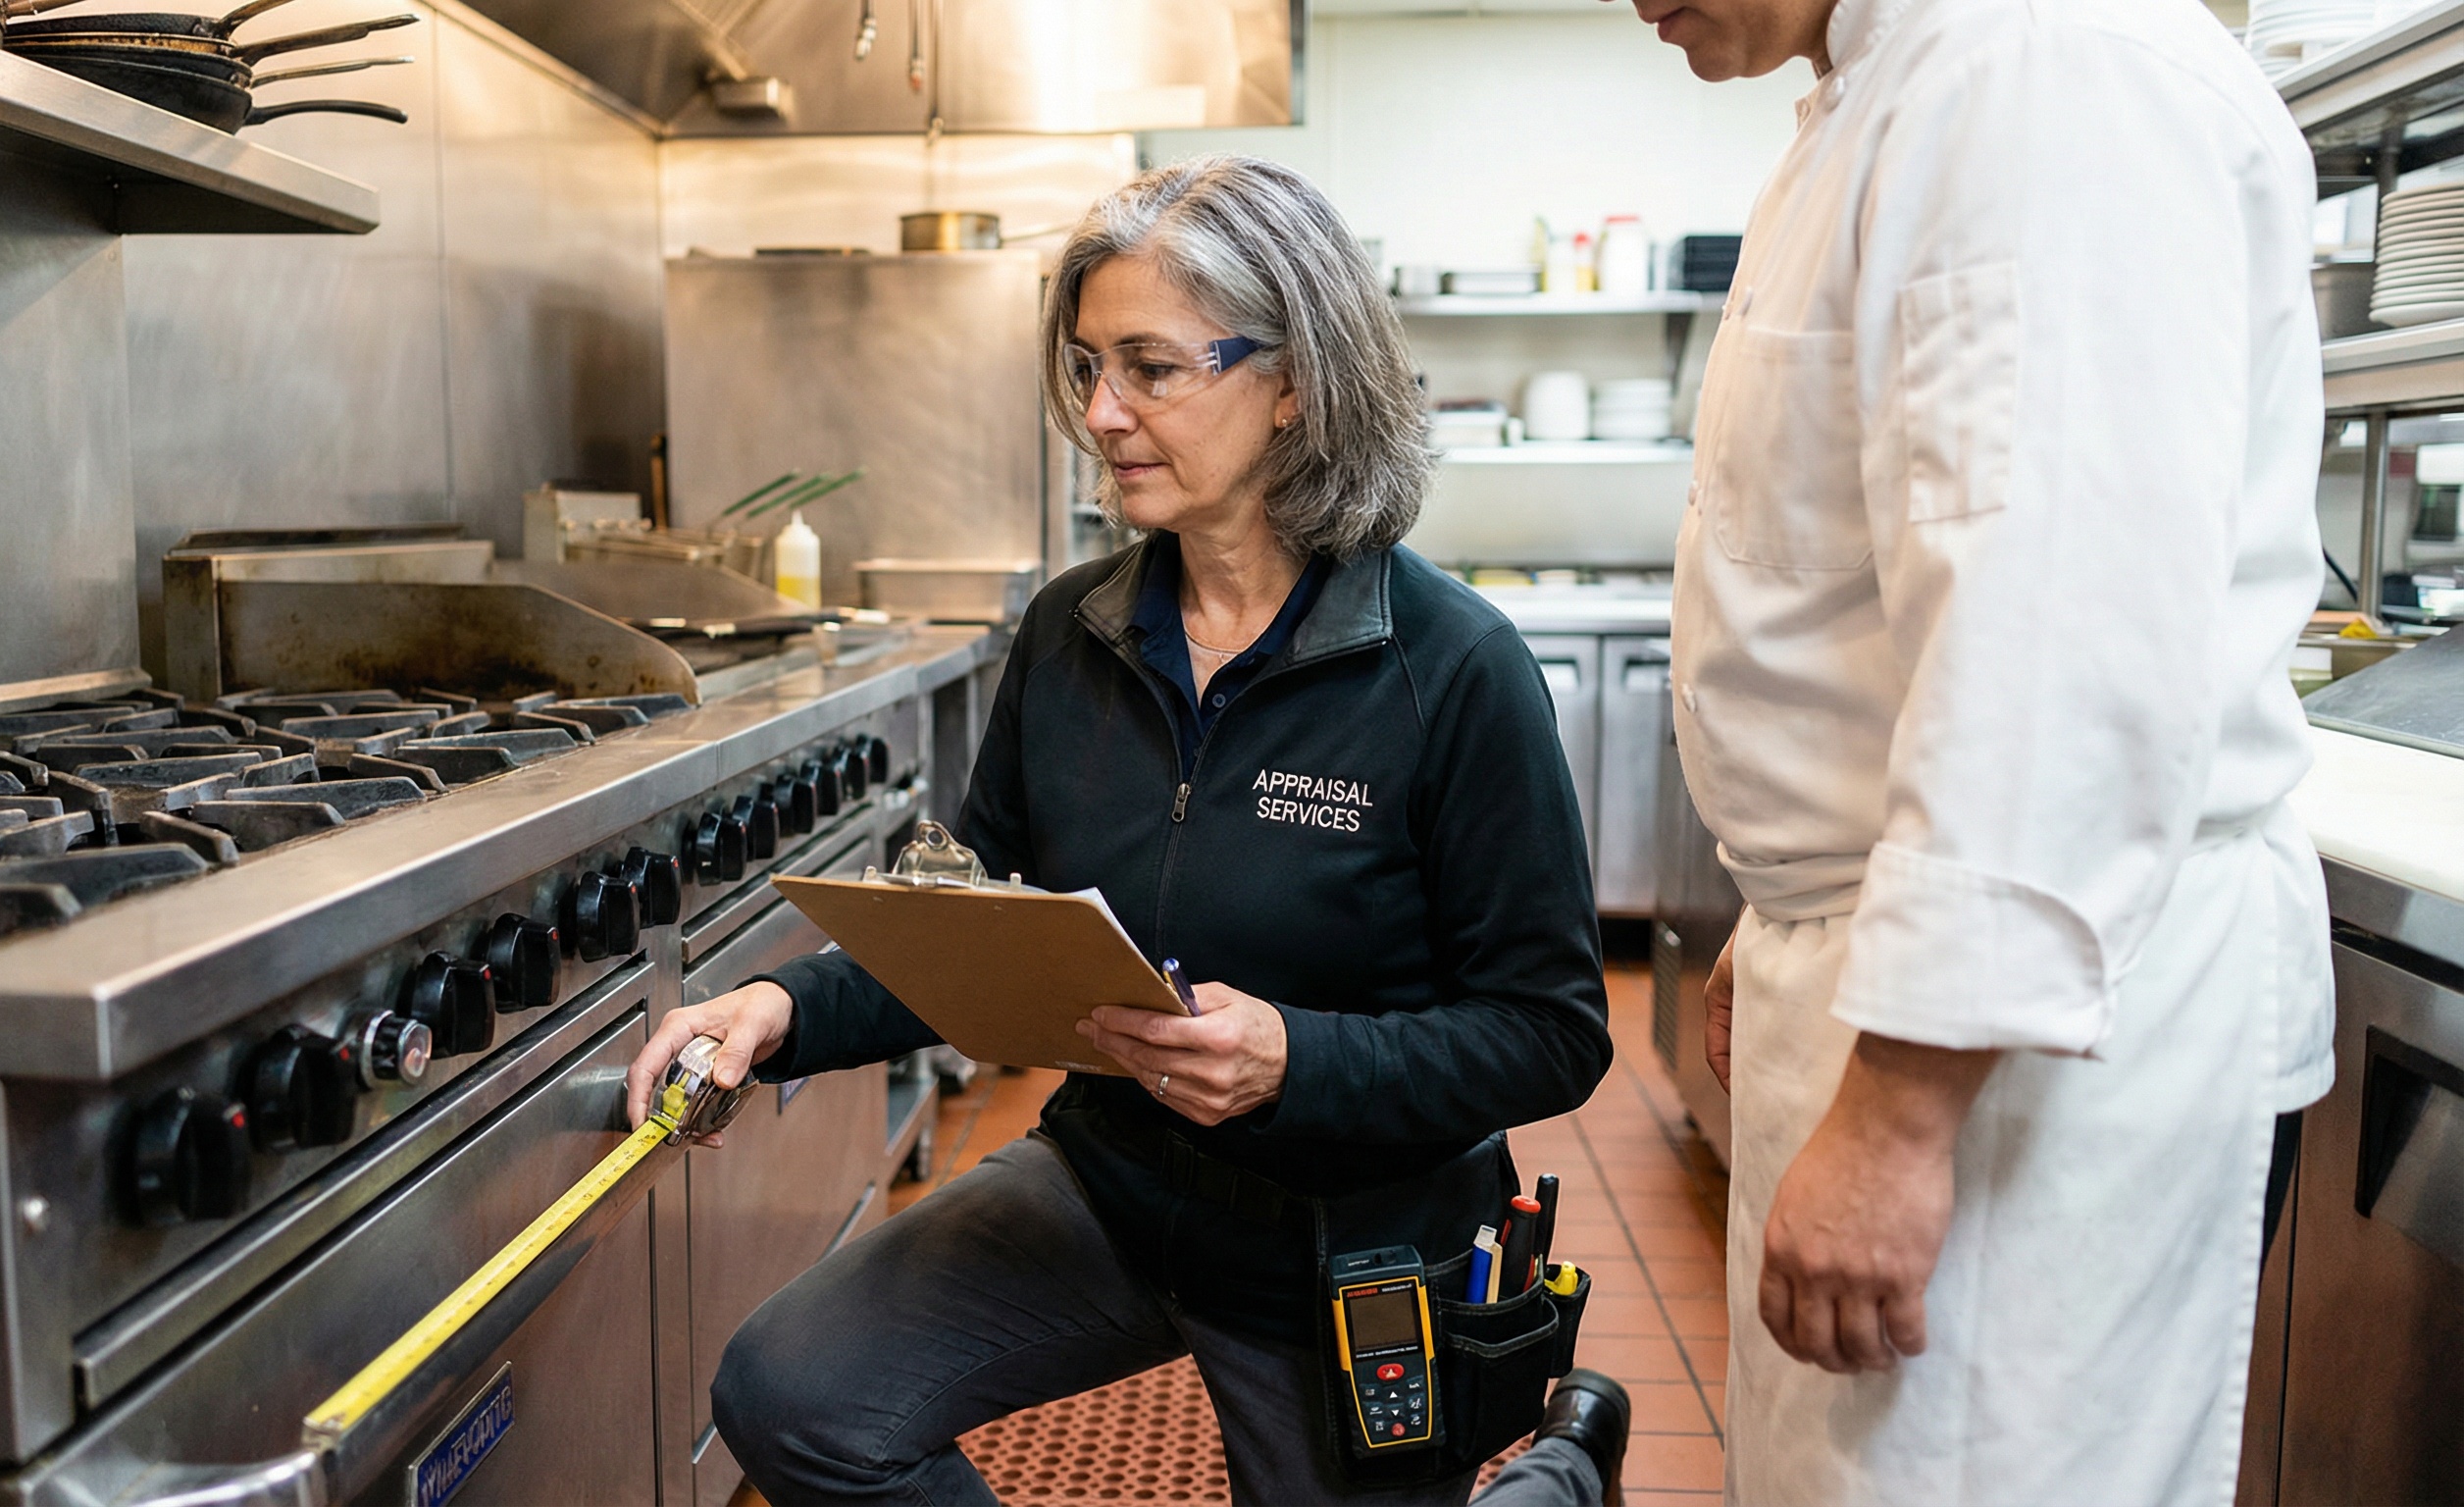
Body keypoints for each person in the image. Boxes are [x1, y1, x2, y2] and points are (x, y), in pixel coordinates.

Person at [624, 155, 1628, 1505]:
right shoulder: (1072, 635)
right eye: (1088, 366)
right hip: (1118, 1184)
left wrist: (1296, 1062)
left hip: (1353, 1242)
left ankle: (1552, 1477)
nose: (1103, 412)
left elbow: (1552, 1029)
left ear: (1294, 382)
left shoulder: (1451, 669)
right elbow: (967, 928)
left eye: (1152, 367)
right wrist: (772, 1007)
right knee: (795, 1391)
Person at [1617, 0, 2336, 1502]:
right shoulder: (1890, 90)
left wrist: (1897, 1109)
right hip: (1907, 976)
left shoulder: (2039, 64)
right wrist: (1792, 896)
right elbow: (1876, 594)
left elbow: (2056, 636)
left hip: (2015, 1047)